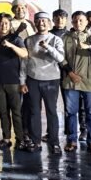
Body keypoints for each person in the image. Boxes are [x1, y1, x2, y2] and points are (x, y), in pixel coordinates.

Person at [62, 11, 91, 154]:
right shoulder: (66, 38)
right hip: (70, 80)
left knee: (90, 113)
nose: (78, 23)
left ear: (87, 22)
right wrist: (70, 73)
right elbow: (60, 57)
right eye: (75, 21)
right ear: (72, 22)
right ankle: (72, 140)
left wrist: (89, 47)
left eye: (81, 20)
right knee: (71, 112)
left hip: (89, 81)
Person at [24, 12, 66, 153]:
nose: (41, 23)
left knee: (51, 111)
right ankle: (36, 142)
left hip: (51, 80)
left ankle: (54, 142)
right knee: (34, 112)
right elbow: (24, 62)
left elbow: (60, 58)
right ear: (35, 23)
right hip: (33, 79)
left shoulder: (56, 39)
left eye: (44, 21)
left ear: (49, 23)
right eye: (38, 20)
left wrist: (48, 47)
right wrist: (22, 81)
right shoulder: (29, 40)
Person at [0, 13, 28, 150]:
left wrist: (11, 45)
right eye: (1, 23)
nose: (3, 25)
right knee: (3, 112)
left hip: (13, 82)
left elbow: (24, 54)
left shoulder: (16, 39)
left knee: (16, 112)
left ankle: (20, 139)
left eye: (6, 23)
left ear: (10, 24)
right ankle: (6, 138)